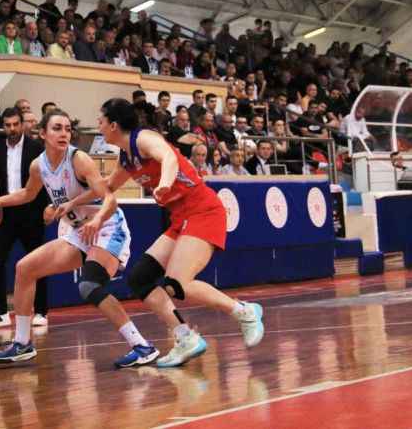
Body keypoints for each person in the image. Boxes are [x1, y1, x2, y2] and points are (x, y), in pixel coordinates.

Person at [56, 99, 264, 367]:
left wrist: (164, 183)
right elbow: (107, 186)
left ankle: (244, 312)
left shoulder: (144, 138)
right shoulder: (127, 157)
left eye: (101, 120)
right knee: (140, 279)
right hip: (180, 219)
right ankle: (185, 338)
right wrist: (72, 203)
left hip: (203, 211)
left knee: (178, 284)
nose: (98, 124)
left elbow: (168, 157)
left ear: (114, 124)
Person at [0, 109, 159, 367]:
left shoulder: (79, 159)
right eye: (57, 128)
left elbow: (110, 200)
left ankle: (142, 346)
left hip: (107, 228)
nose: (64, 134)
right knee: (24, 268)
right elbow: (27, 194)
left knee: (89, 286)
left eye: (68, 129)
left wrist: (96, 221)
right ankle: (22, 343)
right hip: (79, 232)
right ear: (42, 133)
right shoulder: (38, 165)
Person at [0, 108, 49, 329]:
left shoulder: (36, 147)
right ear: (3, 126)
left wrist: (47, 206)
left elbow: (46, 179)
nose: (12, 129)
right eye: (8, 125)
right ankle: (0, 313)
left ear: (22, 124)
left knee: (37, 261)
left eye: (15, 124)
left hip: (31, 211)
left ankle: (41, 311)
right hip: (5, 212)